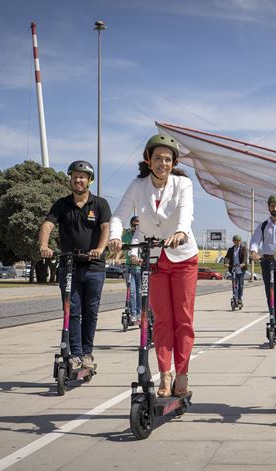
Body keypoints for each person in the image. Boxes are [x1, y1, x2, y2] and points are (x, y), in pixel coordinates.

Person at [108, 134, 199, 398]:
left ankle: (182, 373)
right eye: (157, 158)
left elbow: (186, 211)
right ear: (148, 160)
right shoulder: (138, 185)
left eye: (168, 159)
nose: (162, 163)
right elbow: (119, 214)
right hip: (154, 257)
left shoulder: (183, 183)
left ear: (174, 162)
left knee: (183, 319)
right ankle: (165, 374)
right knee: (161, 320)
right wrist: (115, 235)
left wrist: (181, 231)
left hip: (182, 256)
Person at [39, 160, 111, 370]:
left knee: (91, 311)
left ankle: (87, 353)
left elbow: (105, 228)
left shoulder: (100, 204)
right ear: (70, 178)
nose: (78, 180)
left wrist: (99, 248)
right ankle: (75, 355)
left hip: (94, 266)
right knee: (72, 311)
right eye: (75, 176)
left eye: (83, 176)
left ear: (90, 180)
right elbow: (47, 225)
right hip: (68, 265)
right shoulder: (62, 204)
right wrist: (44, 245)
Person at [249, 194, 276, 332]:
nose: (275, 208)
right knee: (270, 292)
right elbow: (255, 240)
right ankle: (272, 318)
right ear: (269, 207)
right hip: (267, 261)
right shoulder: (263, 226)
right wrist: (254, 252)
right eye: (272, 206)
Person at [122, 216, 142, 321]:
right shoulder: (127, 235)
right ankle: (133, 313)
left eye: (138, 224)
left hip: (140, 268)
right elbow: (121, 246)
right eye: (134, 225)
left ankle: (140, 313)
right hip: (129, 266)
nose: (136, 227)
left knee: (139, 291)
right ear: (131, 225)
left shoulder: (143, 235)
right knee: (132, 292)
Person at [224, 234, 247, 307]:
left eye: (239, 241)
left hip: (241, 270)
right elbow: (227, 257)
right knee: (234, 285)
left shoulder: (243, 248)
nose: (238, 242)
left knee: (240, 285)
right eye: (237, 241)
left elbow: (245, 257)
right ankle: (235, 297)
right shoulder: (231, 249)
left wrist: (243, 263)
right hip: (233, 269)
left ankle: (239, 298)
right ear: (234, 241)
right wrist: (226, 262)